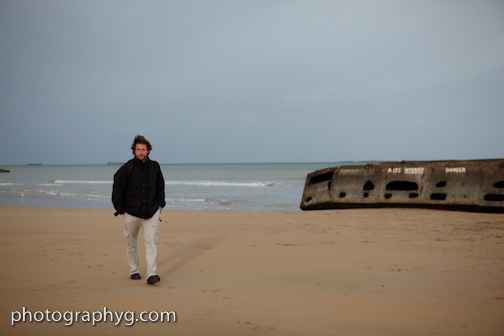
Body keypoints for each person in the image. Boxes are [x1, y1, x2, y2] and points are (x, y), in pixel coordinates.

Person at [112, 135, 166, 285]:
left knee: (151, 242)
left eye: (143, 149)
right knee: (131, 243)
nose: (141, 152)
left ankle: (151, 274)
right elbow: (117, 186)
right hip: (131, 212)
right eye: (138, 150)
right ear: (134, 151)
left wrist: (160, 205)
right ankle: (134, 270)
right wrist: (121, 209)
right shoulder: (127, 168)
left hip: (152, 212)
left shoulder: (155, 166)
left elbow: (161, 187)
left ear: (148, 151)